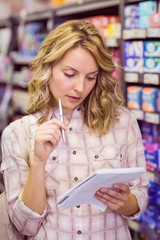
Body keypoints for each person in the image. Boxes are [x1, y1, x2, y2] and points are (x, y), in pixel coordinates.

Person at [1, 19, 148, 240]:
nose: (80, 88)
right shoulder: (17, 133)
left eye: (91, 77)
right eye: (70, 74)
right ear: (47, 67)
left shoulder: (123, 123)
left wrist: (124, 202)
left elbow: (140, 201)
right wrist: (39, 162)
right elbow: (25, 226)